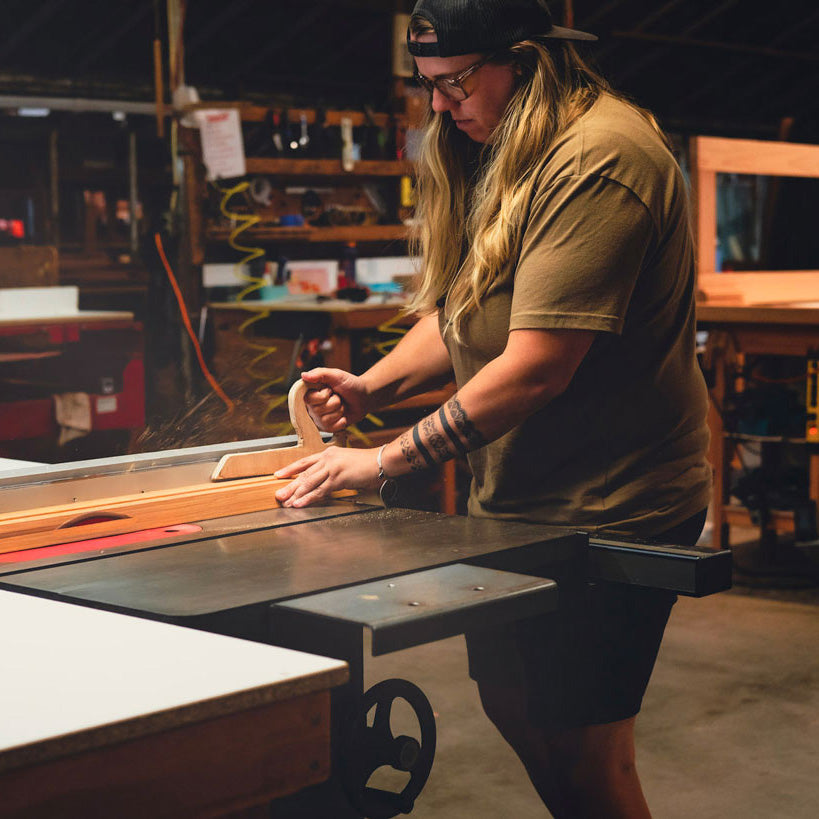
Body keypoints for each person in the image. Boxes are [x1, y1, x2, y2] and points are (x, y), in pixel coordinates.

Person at [274, 1, 711, 815]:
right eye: (429, 86)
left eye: (454, 83)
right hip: (515, 498)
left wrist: (380, 459)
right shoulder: (503, 145)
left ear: (527, 59)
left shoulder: (601, 158)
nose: (440, 105)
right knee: (514, 703)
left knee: (586, 749)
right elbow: (464, 310)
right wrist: (373, 385)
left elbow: (534, 366)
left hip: (611, 502)